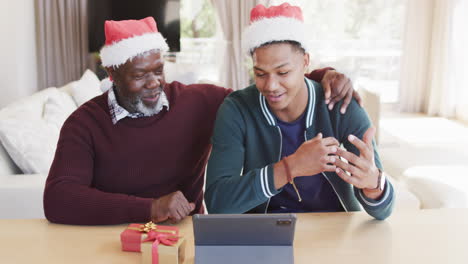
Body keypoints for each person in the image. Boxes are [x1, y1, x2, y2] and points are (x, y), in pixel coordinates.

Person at [43, 16, 362, 225]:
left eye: (158, 70)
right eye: (140, 76)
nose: (154, 83)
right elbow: (58, 199)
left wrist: (319, 77)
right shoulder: (84, 124)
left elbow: (262, 93)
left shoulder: (198, 101)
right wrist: (150, 208)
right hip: (106, 236)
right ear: (111, 74)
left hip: (183, 236)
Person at [205, 3, 394, 220]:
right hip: (264, 233)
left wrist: (373, 185)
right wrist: (290, 167)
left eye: (283, 72)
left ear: (305, 62)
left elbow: (383, 210)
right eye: (260, 73)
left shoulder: (341, 103)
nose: (271, 86)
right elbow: (218, 203)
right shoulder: (237, 110)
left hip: (335, 230)